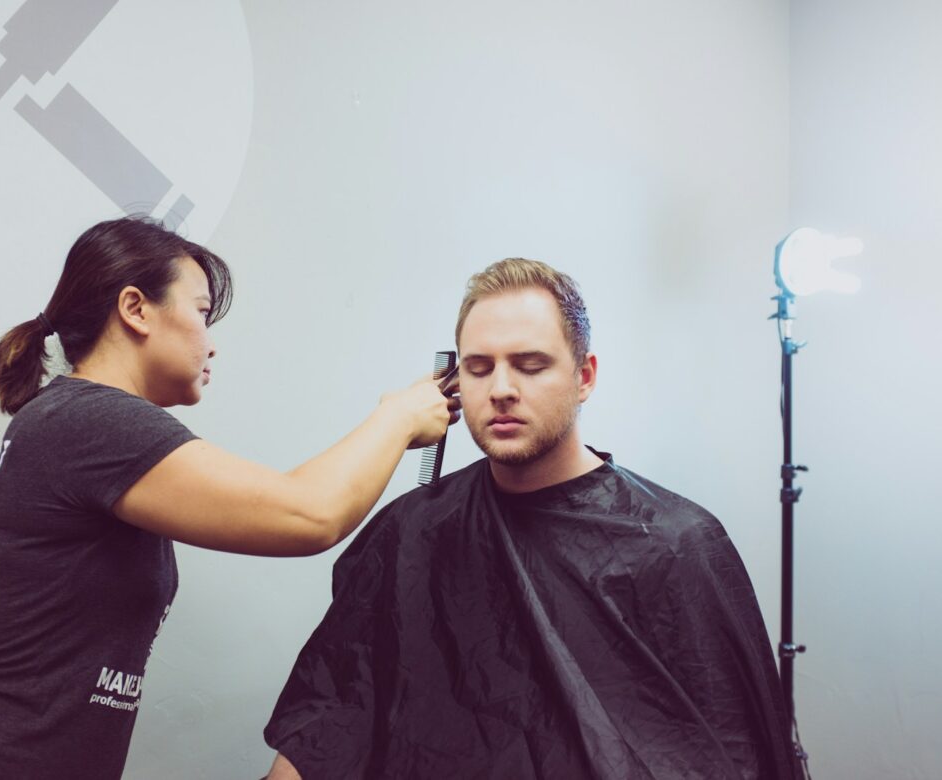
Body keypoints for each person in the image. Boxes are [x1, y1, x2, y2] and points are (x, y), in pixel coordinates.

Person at [0, 216, 458, 779]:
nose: (212, 344)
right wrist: (397, 418)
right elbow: (308, 514)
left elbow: (290, 499)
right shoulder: (93, 421)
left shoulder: (67, 419)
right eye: (203, 313)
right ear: (135, 309)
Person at [263, 258, 802, 779]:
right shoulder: (409, 532)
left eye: (530, 365)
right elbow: (331, 717)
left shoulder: (677, 543)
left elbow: (730, 750)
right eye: (479, 367)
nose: (500, 389)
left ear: (584, 376)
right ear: (452, 383)